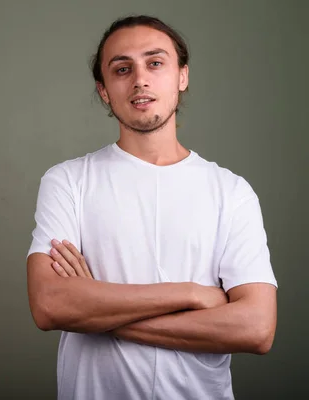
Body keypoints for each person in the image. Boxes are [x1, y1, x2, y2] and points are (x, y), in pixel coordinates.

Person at [26, 15, 278, 400]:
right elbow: (49, 305)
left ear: (182, 76)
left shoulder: (231, 191)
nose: (139, 79)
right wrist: (192, 294)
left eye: (155, 63)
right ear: (105, 90)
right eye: (122, 69)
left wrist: (96, 310)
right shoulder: (68, 181)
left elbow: (257, 328)